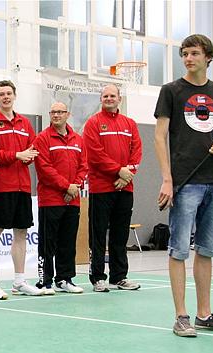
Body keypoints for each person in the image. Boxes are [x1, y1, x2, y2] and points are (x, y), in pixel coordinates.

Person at [154, 34, 213, 337]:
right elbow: (159, 136)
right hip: (184, 183)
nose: (188, 58)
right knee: (178, 250)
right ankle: (181, 316)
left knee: (206, 250)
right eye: (184, 54)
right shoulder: (171, 91)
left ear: (208, 57)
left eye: (194, 53)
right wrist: (168, 178)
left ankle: (204, 314)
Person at [0, 80, 43, 298]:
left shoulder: (24, 123)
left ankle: (19, 281)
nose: (6, 97)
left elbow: (32, 149)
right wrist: (16, 155)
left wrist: (27, 156)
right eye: (1, 94)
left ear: (14, 95)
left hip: (22, 187)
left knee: (21, 233)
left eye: (9, 93)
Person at [83, 84, 142, 293]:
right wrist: (119, 171)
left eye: (112, 96)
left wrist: (127, 176)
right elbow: (95, 155)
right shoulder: (93, 123)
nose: (109, 99)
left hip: (125, 188)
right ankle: (98, 277)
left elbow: (137, 152)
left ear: (120, 99)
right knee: (98, 235)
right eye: (105, 96)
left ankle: (119, 277)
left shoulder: (130, 124)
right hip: (101, 188)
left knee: (120, 234)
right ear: (101, 99)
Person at [33, 102, 87, 295]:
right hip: (50, 200)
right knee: (48, 243)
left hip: (72, 200)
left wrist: (75, 186)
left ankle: (65, 279)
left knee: (67, 242)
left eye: (60, 112)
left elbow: (84, 166)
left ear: (67, 114)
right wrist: (67, 186)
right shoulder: (42, 139)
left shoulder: (78, 140)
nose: (56, 115)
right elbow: (44, 169)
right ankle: (45, 280)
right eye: (53, 112)